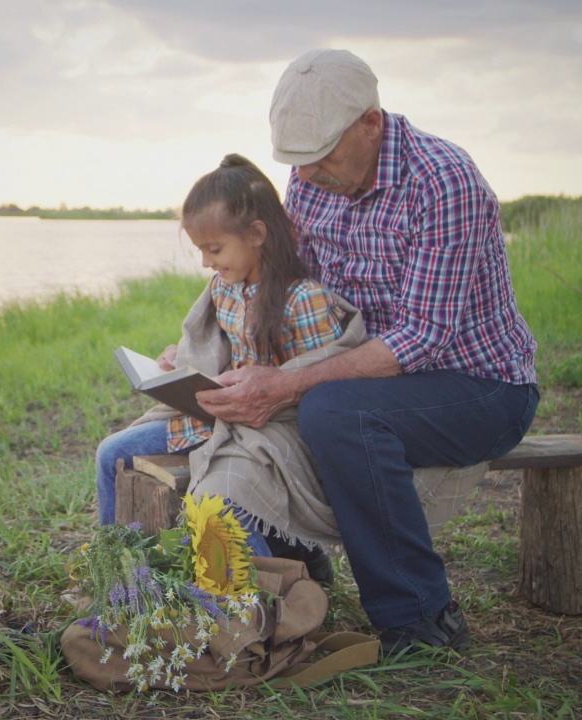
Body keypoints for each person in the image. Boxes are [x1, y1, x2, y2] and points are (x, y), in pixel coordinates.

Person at [196, 49, 539, 657]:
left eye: (323, 155)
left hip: (479, 385)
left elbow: (422, 339)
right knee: (278, 405)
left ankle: (422, 617)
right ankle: (295, 562)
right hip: (359, 373)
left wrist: (291, 382)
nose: (310, 174)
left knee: (334, 411)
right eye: (298, 162)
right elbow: (292, 285)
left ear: (371, 124)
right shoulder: (310, 181)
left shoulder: (444, 183)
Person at [94, 153, 354, 564]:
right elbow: (218, 351)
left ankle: (270, 587)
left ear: (256, 234)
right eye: (200, 250)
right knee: (113, 452)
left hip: (275, 431)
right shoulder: (224, 288)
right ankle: (124, 576)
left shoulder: (302, 298)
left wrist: (274, 385)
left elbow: (327, 385)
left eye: (214, 249)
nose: (206, 262)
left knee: (219, 493)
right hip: (219, 417)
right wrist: (180, 358)